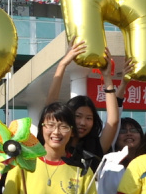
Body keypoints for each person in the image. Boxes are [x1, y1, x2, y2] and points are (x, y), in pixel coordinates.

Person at [44, 39, 121, 170]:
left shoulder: (95, 147)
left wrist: (107, 76)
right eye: (78, 116)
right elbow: (50, 108)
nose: (82, 122)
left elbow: (113, 121)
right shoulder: (55, 142)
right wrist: (62, 65)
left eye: (88, 118)